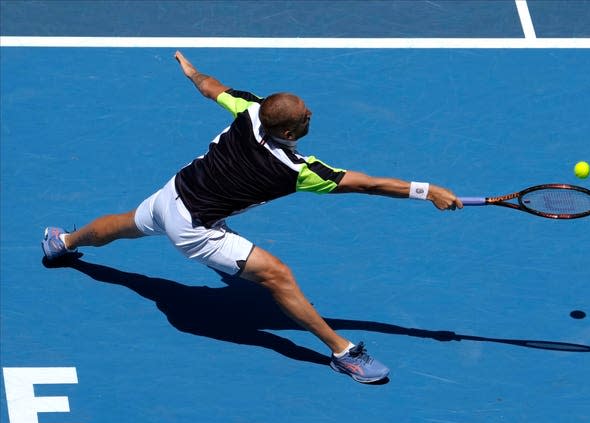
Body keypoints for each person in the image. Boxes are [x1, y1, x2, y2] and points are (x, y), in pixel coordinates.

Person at [42, 51, 463, 383]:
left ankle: (61, 242)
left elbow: (211, 87)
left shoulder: (248, 109)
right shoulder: (297, 170)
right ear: (288, 132)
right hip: (196, 231)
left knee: (121, 225)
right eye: (304, 117)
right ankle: (343, 353)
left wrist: (191, 72)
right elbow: (368, 184)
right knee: (277, 275)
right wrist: (428, 192)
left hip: (173, 195)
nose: (310, 114)